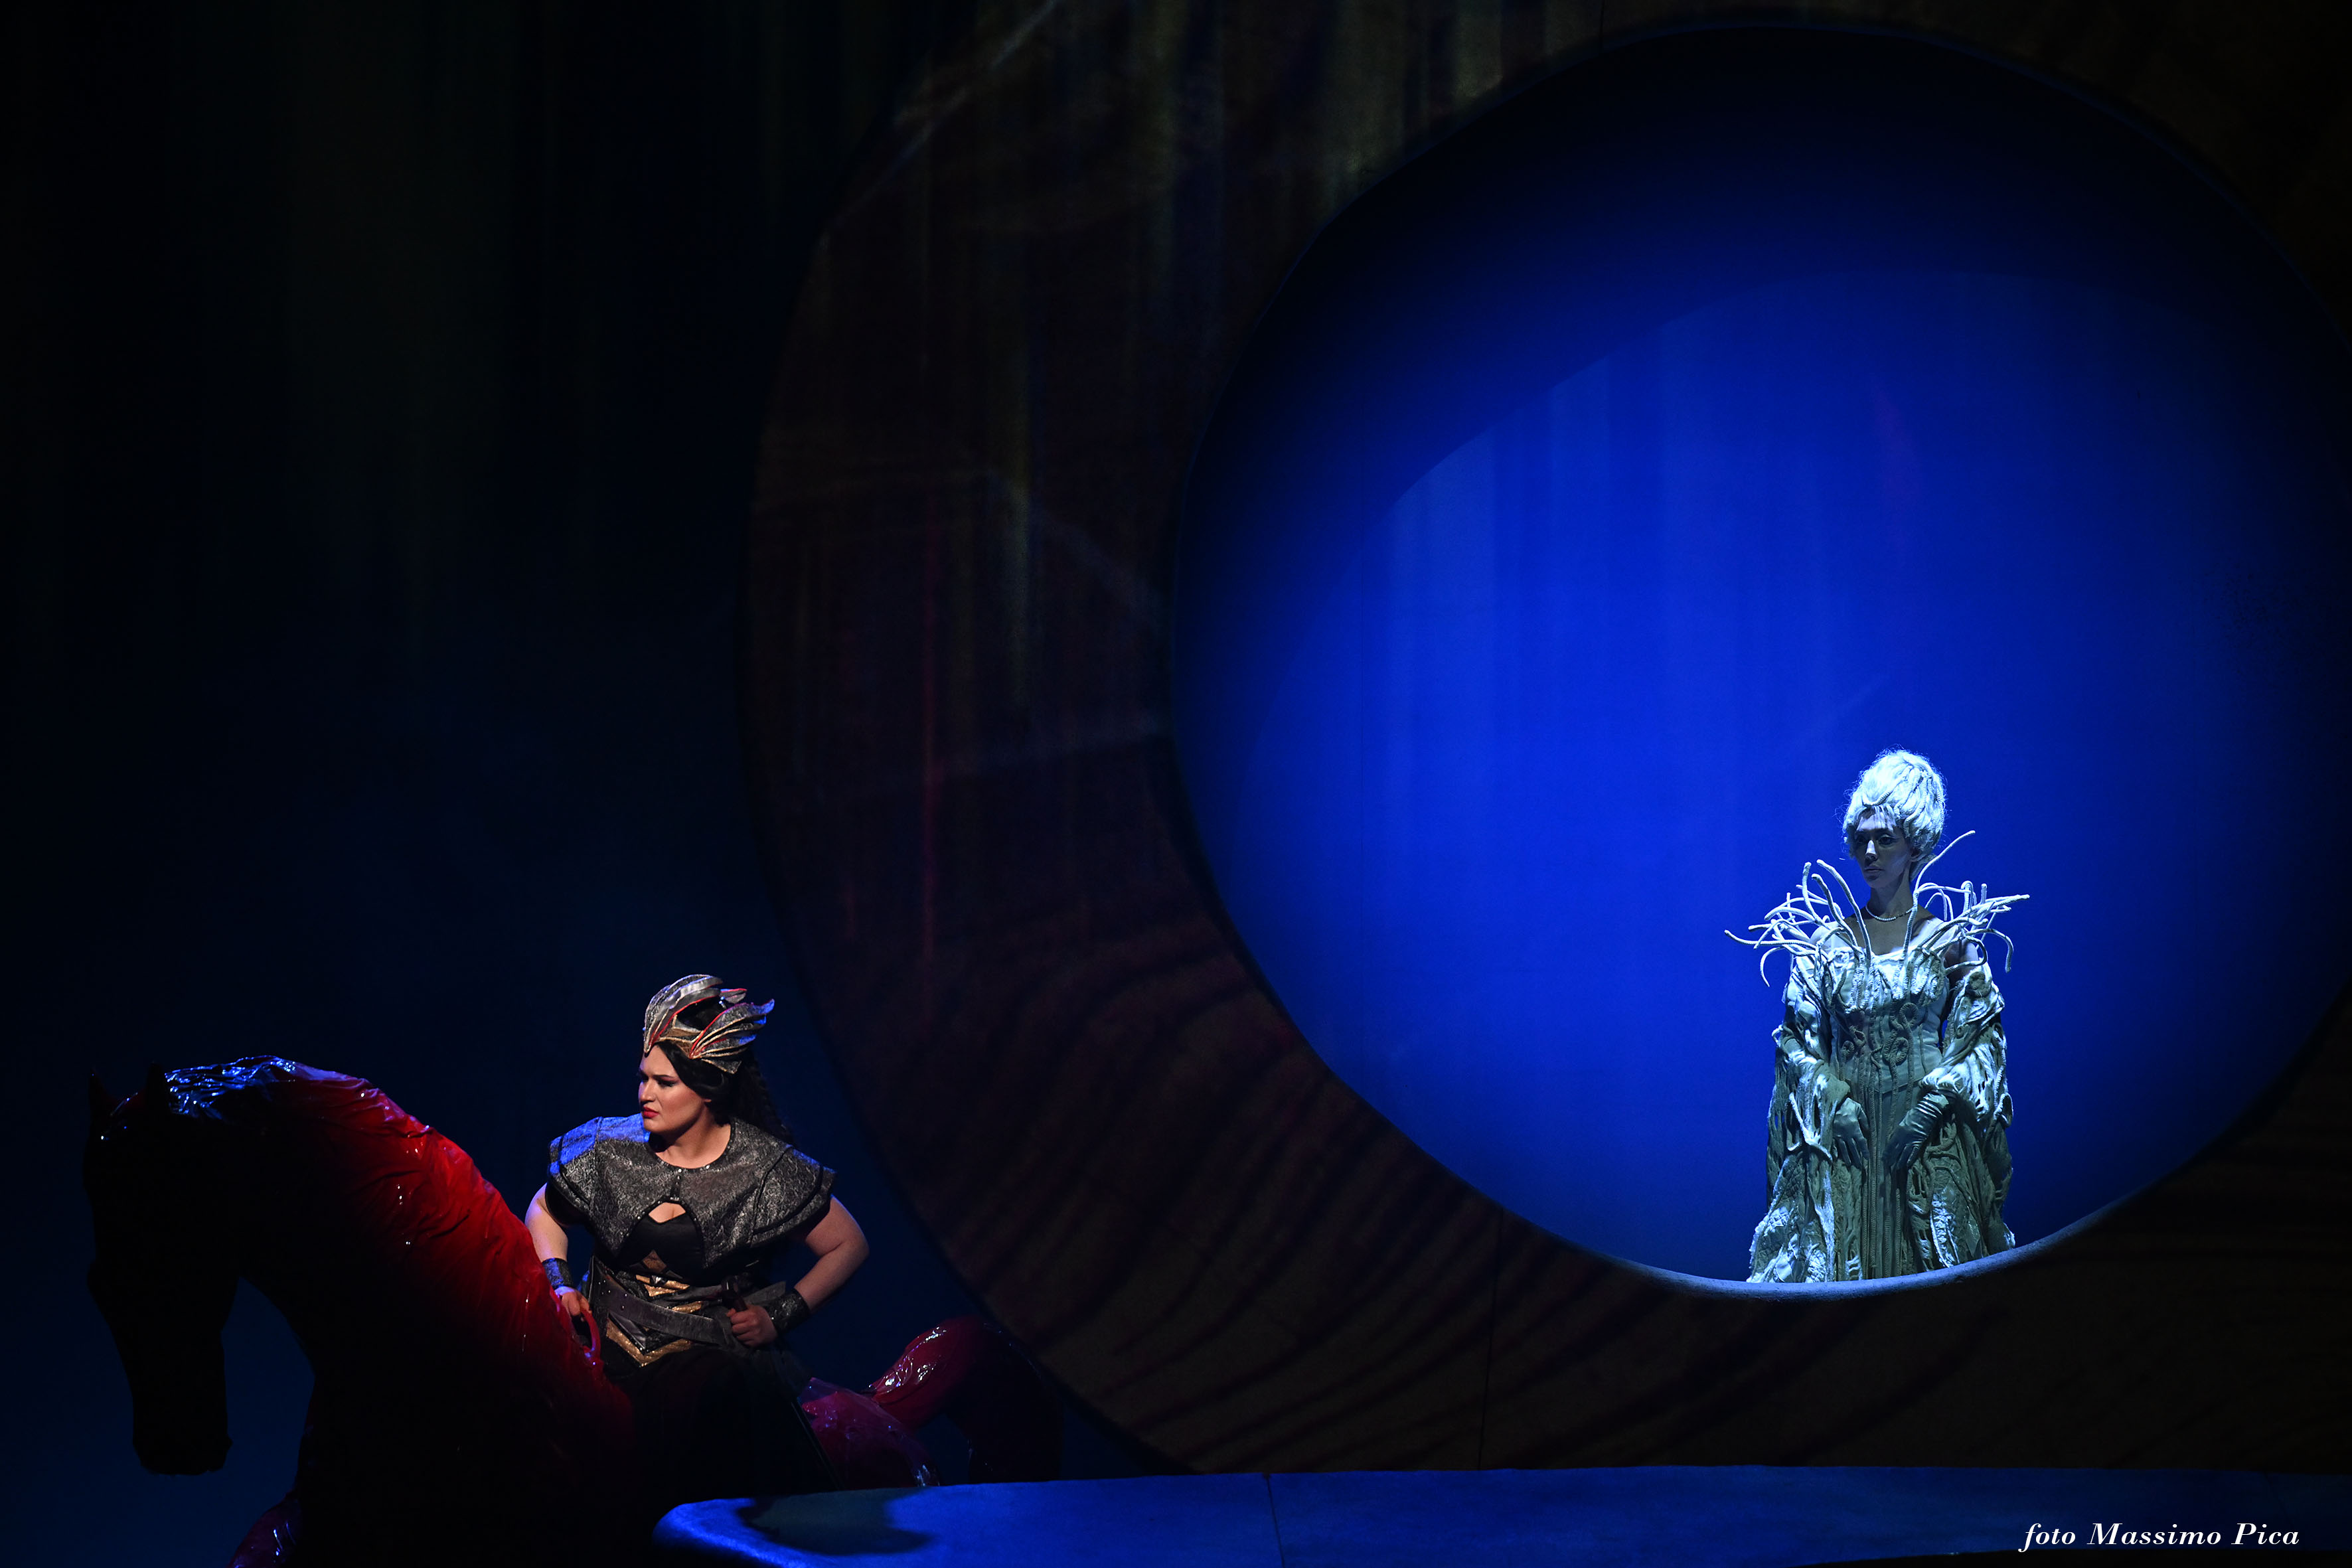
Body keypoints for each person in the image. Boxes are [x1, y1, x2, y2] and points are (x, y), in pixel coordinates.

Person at [524, 975, 870, 1512]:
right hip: (601, 1348)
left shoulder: (762, 1169)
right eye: (643, 1078)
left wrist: (779, 1316)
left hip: (706, 1372)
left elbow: (848, 1244)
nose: (645, 1095)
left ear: (708, 1087)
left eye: (664, 1083)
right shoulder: (608, 1148)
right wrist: (559, 1281)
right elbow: (544, 1210)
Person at [1731, 751, 2027, 1283]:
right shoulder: (1827, 944)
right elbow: (1795, 1041)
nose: (1868, 852)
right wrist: (1832, 1098)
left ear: (1914, 843)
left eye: (1884, 839)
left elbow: (1982, 1039)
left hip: (1926, 1140)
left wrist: (1931, 1108)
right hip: (1846, 1139)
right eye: (1860, 838)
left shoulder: (1948, 941)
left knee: (1931, 1280)